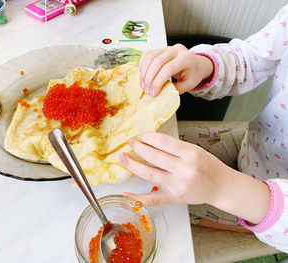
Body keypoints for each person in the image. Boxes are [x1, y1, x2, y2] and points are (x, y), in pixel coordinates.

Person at [119, 4, 288, 252]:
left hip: (267, 209)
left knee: (158, 218)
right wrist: (204, 66)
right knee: (136, 171)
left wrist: (223, 188)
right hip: (252, 148)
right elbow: (251, 58)